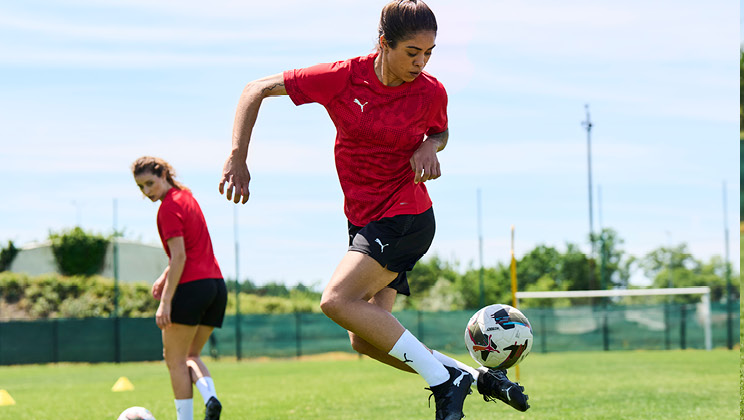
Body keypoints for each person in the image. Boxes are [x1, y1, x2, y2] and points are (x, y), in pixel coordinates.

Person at [218, 1, 526, 417]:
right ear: (384, 42)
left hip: (406, 214)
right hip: (364, 219)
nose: (421, 62)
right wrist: (237, 156)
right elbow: (254, 89)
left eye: (429, 53)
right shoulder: (342, 77)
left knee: (335, 300)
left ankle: (443, 382)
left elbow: (441, 131)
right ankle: (471, 377)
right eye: (412, 52)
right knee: (365, 338)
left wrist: (430, 145)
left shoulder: (431, 91)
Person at [134, 156, 226, 420]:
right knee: (190, 355)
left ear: (163, 175)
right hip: (216, 287)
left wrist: (165, 302)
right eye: (141, 187)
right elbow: (190, 250)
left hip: (191, 288)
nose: (147, 191)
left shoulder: (168, 208)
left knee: (174, 359)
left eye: (150, 183)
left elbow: (180, 257)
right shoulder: (188, 198)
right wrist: (165, 276)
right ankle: (211, 398)